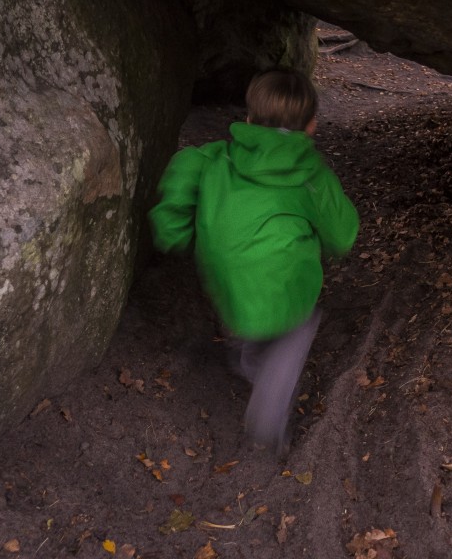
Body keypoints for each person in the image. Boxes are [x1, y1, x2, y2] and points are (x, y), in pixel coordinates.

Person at [148, 68, 359, 454]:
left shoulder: (213, 159)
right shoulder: (313, 178)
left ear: (248, 119)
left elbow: (180, 176)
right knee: (298, 324)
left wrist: (176, 232)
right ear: (311, 126)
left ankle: (247, 353)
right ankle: (268, 414)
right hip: (283, 281)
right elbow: (342, 236)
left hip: (225, 278)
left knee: (251, 305)